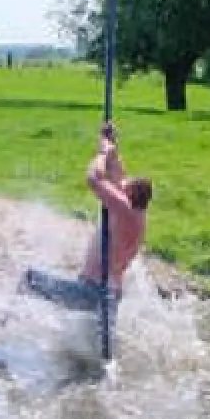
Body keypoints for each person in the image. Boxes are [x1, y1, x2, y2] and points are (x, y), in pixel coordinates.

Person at [21, 123, 152, 327]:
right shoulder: (137, 214)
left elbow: (94, 178)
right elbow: (118, 175)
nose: (119, 186)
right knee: (95, 347)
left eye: (124, 187)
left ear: (130, 195)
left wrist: (101, 154)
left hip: (91, 290)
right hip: (110, 295)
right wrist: (109, 143)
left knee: (29, 280)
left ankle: (6, 322)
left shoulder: (123, 208)